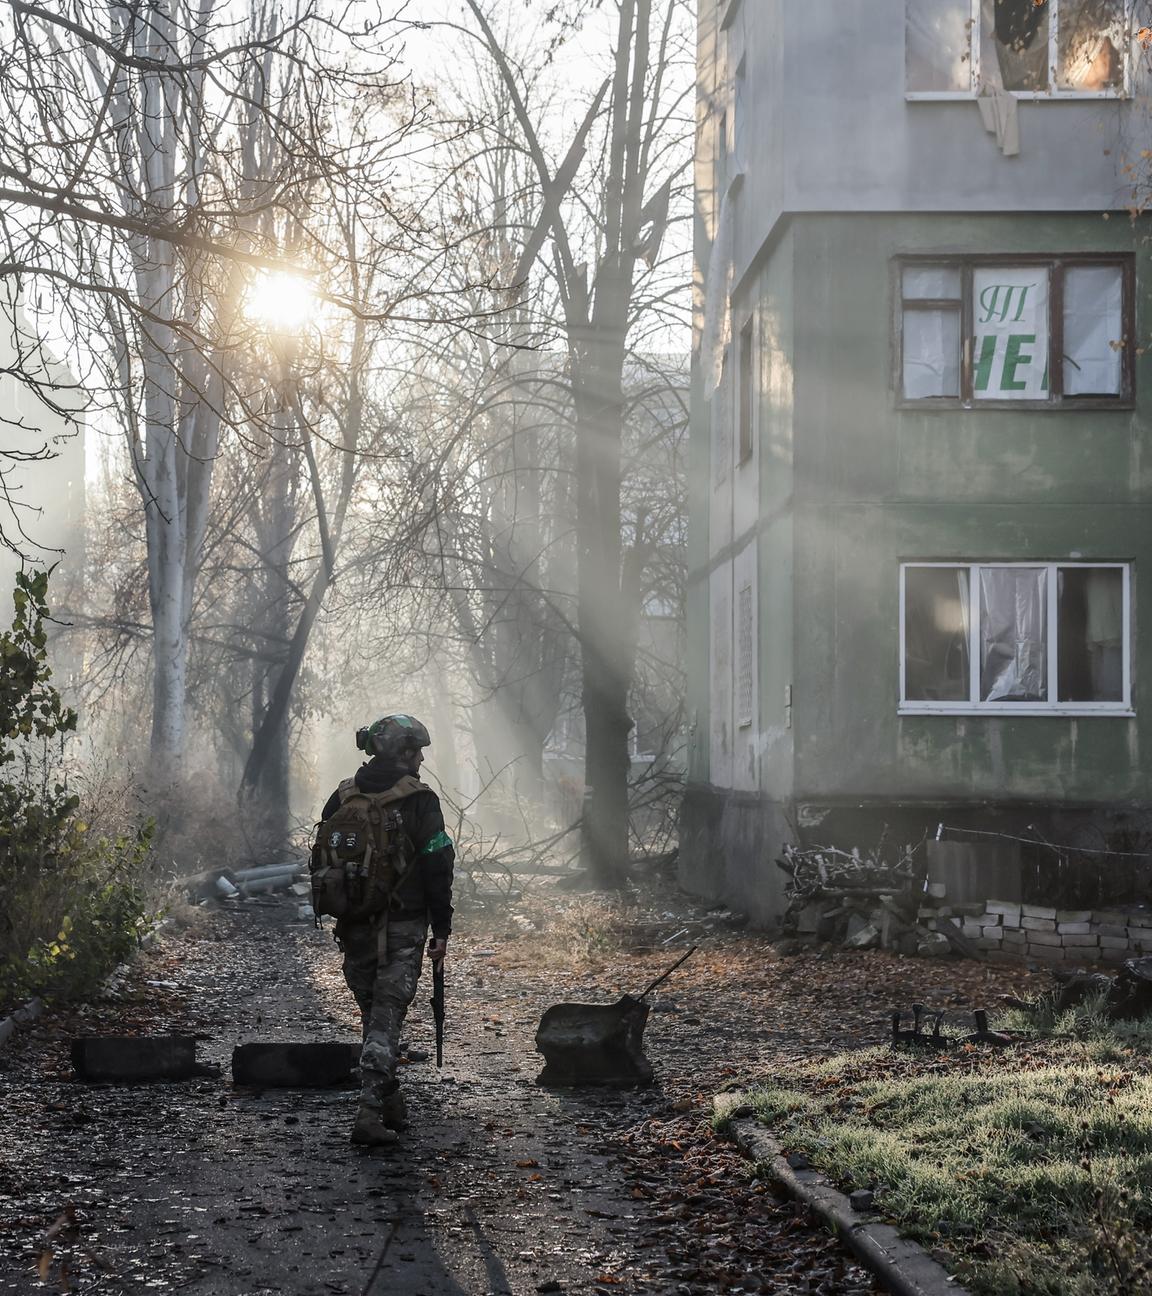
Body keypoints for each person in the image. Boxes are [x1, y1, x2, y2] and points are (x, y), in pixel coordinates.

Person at [320, 713, 454, 1146]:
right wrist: (442, 927)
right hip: (403, 923)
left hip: (353, 925)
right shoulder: (420, 801)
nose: (421, 760)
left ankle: (390, 1100)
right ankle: (369, 1113)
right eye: (417, 752)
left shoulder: (342, 796)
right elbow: (438, 866)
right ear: (403, 752)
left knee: (376, 1016)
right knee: (386, 1017)